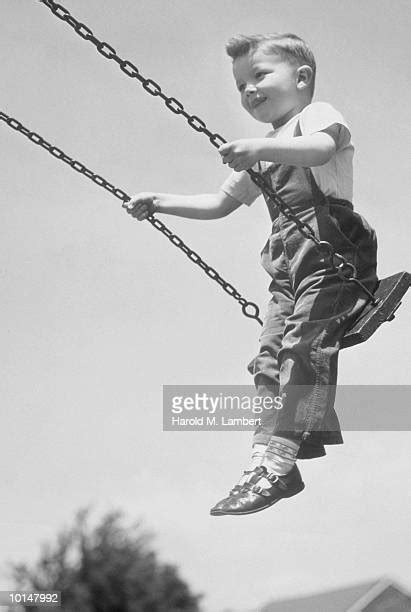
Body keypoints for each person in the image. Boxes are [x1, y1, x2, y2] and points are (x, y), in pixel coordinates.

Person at [124, 33, 378, 516]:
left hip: (333, 253)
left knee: (304, 346)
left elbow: (321, 150)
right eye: (241, 84)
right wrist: (160, 202)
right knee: (266, 361)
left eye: (260, 75)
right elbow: (220, 203)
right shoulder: (260, 152)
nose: (249, 89)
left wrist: (260, 146)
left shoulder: (316, 115)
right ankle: (264, 458)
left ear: (301, 78)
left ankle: (280, 460)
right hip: (288, 261)